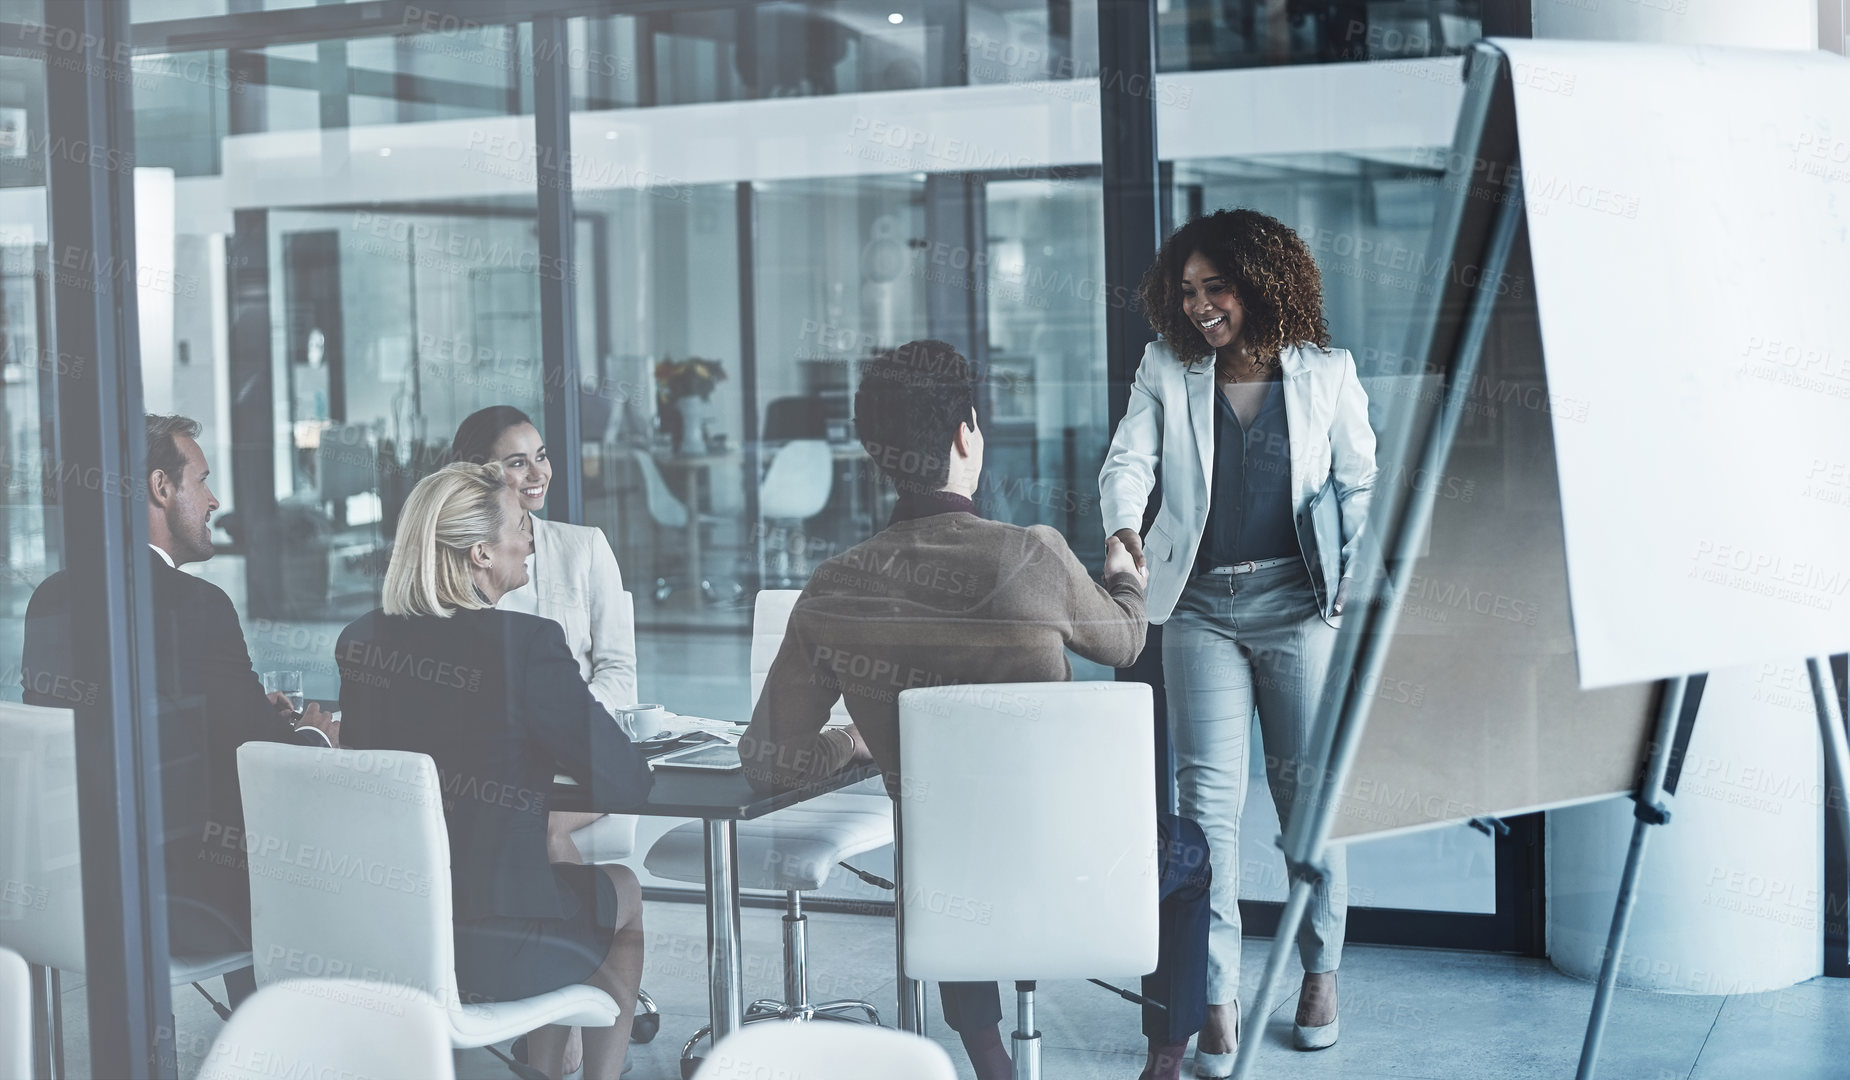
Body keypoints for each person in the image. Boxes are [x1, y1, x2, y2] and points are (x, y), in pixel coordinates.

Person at [740, 339, 1213, 1080]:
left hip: (951, 895)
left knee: (948, 843)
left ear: (875, 453)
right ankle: (1165, 1062)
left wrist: (855, 745)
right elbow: (1124, 641)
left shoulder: (833, 587)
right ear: (966, 433)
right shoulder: (1031, 555)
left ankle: (991, 1063)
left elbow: (768, 760)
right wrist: (1126, 577)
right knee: (1189, 852)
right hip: (1086, 871)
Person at [1099, 208, 1378, 1074]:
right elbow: (1128, 462)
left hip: (1299, 609)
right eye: (1186, 291)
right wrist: (1124, 530)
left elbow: (1359, 481)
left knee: (1309, 809)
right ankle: (1213, 999)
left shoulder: (1327, 374)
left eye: (1216, 286)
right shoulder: (1166, 367)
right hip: (1200, 611)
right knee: (1208, 817)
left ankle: (1319, 972)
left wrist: (1344, 574)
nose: (1200, 306)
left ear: (1261, 283)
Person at [335, 462, 654, 1080]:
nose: (531, 538)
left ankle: (545, 1070)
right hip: (491, 949)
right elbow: (624, 778)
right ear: (480, 552)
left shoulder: (359, 640)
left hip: (388, 937)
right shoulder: (526, 643)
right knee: (625, 892)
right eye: (520, 525)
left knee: (553, 886)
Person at [19, 414, 339, 993]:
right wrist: (316, 736)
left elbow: (141, 725)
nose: (215, 500)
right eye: (203, 481)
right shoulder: (197, 605)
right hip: (177, 905)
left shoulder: (51, 596)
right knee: (323, 878)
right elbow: (259, 756)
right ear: (161, 488)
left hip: (73, 899)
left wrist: (235, 709)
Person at [449, 406, 639, 864]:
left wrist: (561, 729)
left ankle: (557, 929)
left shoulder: (584, 548)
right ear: (481, 473)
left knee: (544, 824)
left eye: (542, 456)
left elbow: (619, 671)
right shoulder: (454, 558)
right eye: (517, 462)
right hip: (487, 761)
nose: (539, 473)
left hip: (574, 756)